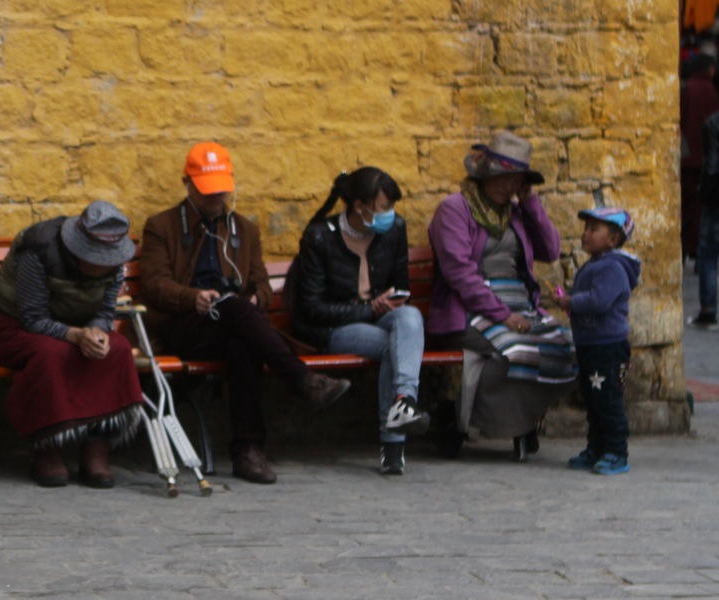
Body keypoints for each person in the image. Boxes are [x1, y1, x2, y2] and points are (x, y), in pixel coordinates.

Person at [139, 141, 351, 485]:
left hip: (234, 323)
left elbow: (262, 285)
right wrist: (193, 298)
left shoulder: (245, 230)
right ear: (186, 184)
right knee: (238, 316)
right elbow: (154, 284)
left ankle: (248, 452)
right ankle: (301, 383)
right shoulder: (161, 226)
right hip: (185, 327)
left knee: (243, 336)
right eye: (207, 191)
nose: (216, 198)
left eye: (221, 190)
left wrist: (255, 301)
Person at [427, 131, 576, 462]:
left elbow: (550, 250)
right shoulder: (454, 210)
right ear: (483, 174)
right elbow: (459, 273)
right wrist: (502, 315)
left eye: (516, 180)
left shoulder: (516, 212)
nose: (509, 186)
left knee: (566, 348)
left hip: (520, 305)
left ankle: (521, 418)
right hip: (468, 310)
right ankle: (469, 419)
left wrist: (531, 202)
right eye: (503, 177)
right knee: (515, 351)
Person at [0, 201, 143, 489]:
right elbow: (33, 319)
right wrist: (76, 336)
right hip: (12, 326)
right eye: (99, 257)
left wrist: (96, 331)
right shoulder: (39, 248)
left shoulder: (115, 259)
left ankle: (96, 449)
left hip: (75, 326)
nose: (108, 263)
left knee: (116, 349)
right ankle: (48, 446)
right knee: (53, 352)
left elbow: (106, 311)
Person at [286, 167, 430, 476]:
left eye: (392, 207)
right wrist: (369, 309)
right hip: (334, 329)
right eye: (383, 208)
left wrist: (392, 301)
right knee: (392, 347)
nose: (390, 214)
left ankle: (405, 401)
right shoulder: (320, 236)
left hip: (382, 318)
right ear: (359, 207)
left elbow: (401, 287)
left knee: (410, 315)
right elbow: (313, 309)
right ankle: (393, 444)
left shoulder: (394, 230)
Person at [541, 208, 640, 476]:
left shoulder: (612, 267)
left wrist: (570, 301)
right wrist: (569, 298)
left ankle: (616, 452)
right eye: (586, 228)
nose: (586, 234)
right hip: (591, 345)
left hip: (607, 348)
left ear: (613, 239)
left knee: (607, 401)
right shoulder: (596, 264)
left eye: (594, 229)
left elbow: (598, 301)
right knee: (594, 402)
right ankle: (596, 449)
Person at [682, 55, 719, 261]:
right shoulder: (712, 90)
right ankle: (696, 250)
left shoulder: (686, 88)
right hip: (709, 160)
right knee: (701, 212)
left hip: (688, 159)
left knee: (686, 208)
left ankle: (686, 247)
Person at [693, 111, 719, 329]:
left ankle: (708, 309)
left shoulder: (713, 123)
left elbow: (712, 165)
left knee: (708, 253)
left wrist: (704, 194)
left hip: (716, 200)